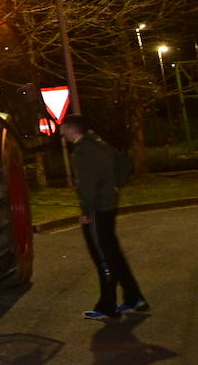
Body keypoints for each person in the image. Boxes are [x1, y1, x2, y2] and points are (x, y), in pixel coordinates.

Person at [60, 114, 150, 320]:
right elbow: (125, 164)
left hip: (96, 210)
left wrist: (85, 212)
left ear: (71, 128)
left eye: (62, 127)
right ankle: (133, 297)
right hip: (108, 205)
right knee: (113, 254)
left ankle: (108, 306)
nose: (61, 131)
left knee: (103, 258)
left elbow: (87, 187)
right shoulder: (100, 144)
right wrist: (115, 187)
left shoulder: (83, 151)